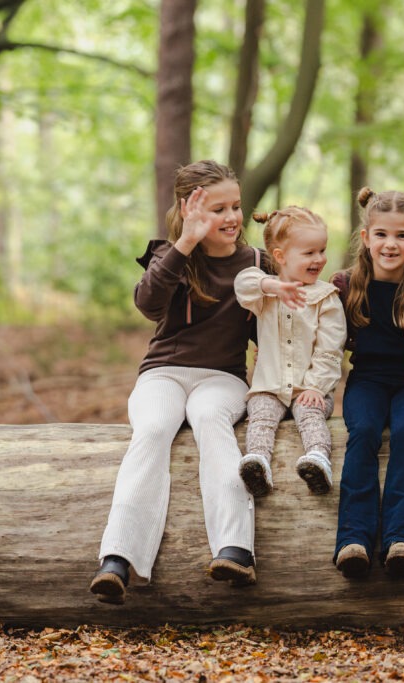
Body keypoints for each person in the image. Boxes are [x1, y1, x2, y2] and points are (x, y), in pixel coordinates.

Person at [89, 160, 264, 605]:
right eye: (217, 209)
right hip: (163, 372)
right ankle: (118, 558)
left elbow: (270, 334)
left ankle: (235, 548)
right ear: (189, 211)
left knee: (209, 420)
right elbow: (148, 304)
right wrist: (185, 242)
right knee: (152, 429)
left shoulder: (257, 263)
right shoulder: (171, 256)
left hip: (222, 378)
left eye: (235, 207)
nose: (230, 218)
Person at [332, 187, 404, 579]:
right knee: (362, 431)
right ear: (366, 239)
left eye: (401, 236)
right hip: (366, 381)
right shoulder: (345, 287)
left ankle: (401, 538)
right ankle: (354, 539)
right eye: (381, 234)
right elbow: (330, 343)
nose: (390, 244)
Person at [234, 207, 346, 497]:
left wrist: (316, 387)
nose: (319, 259)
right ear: (281, 256)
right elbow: (241, 284)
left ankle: (318, 459)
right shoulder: (266, 295)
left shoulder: (326, 298)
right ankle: (257, 463)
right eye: (309, 253)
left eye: (322, 250)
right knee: (259, 414)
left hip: (309, 389)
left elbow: (330, 350)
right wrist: (272, 284)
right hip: (269, 385)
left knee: (310, 415)